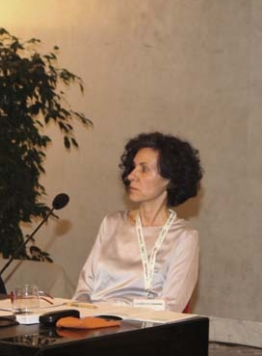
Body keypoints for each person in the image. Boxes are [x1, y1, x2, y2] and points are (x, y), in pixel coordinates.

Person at [74, 132, 202, 313]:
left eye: (144, 169)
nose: (131, 176)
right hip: (92, 324)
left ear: (169, 179)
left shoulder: (184, 237)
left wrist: (112, 309)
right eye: (133, 167)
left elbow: (171, 306)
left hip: (145, 328)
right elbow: (83, 291)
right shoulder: (112, 223)